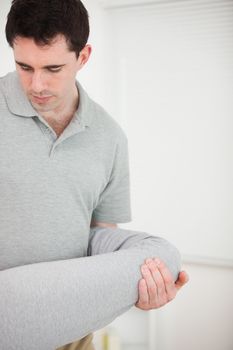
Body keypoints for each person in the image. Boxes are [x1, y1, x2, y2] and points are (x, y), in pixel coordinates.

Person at [0, 0, 189, 349]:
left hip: (73, 336)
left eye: (53, 68)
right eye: (23, 66)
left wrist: (135, 289)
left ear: (83, 57)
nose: (36, 84)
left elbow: (102, 238)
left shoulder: (109, 136)